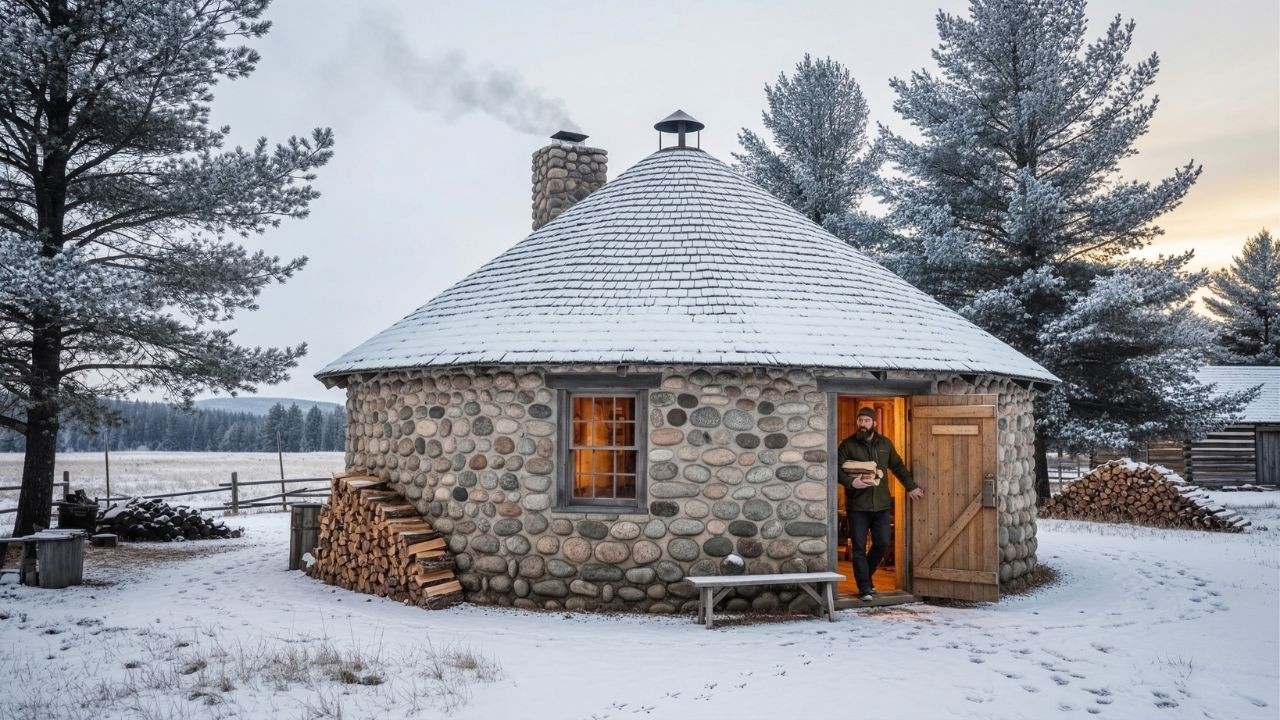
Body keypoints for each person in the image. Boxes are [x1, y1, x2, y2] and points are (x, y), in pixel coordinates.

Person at [837, 407, 925, 601]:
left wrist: (910, 487)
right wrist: (851, 482)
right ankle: (865, 588)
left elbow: (898, 466)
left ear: (874, 423)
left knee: (882, 543)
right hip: (857, 506)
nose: (862, 424)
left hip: (881, 505)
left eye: (866, 421)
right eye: (860, 420)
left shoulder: (884, 444)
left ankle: (866, 576)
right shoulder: (847, 445)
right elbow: (836, 468)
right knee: (859, 547)